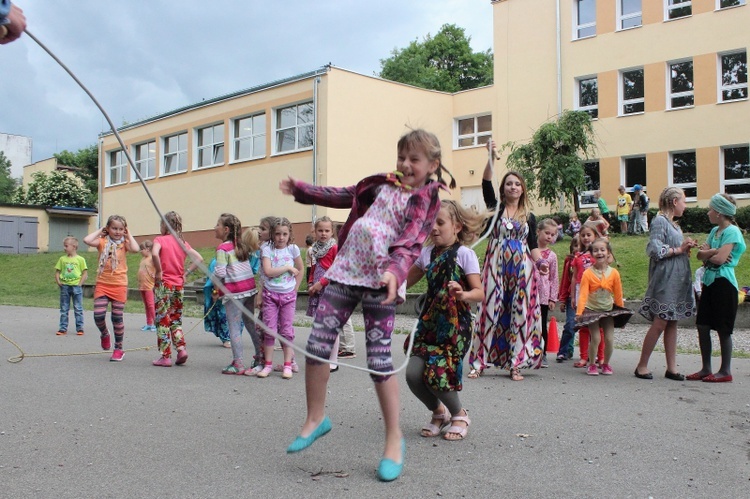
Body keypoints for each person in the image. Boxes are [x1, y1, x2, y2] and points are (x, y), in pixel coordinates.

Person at [281, 128, 452, 482]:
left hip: (381, 280)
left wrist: (395, 271)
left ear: (433, 164)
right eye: (401, 157)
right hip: (346, 271)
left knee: (378, 361)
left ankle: (393, 439)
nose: (405, 164)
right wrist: (303, 191)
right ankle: (316, 418)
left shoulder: (426, 197)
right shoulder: (383, 184)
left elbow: (411, 241)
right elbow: (346, 194)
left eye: (414, 159)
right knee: (316, 344)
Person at [405, 200, 484, 441]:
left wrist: (463, 294)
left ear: (457, 226)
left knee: (439, 375)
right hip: (428, 322)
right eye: (431, 223)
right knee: (413, 375)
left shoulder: (465, 254)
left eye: (441, 223)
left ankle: (459, 414)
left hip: (454, 325)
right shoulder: (426, 254)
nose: (434, 228)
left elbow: (479, 292)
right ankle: (438, 412)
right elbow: (403, 283)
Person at [468, 140, 545, 382]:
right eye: (509, 183)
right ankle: (479, 362)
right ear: (504, 189)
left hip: (522, 269)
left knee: (520, 313)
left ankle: (516, 363)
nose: (513, 187)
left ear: (523, 189)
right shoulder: (496, 209)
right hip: (495, 267)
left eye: (517, 184)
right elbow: (485, 183)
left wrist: (540, 262)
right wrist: (491, 158)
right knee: (489, 310)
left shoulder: (529, 216)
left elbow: (533, 244)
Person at [635, 187, 697, 380]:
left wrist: (684, 247)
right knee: (660, 322)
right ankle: (641, 365)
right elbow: (654, 249)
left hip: (677, 278)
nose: (686, 206)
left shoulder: (673, 224)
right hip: (665, 279)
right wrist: (679, 249)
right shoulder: (660, 221)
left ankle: (672, 367)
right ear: (675, 202)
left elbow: (673, 248)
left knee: (672, 322)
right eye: (684, 202)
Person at [687, 193, 746, 383]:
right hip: (710, 282)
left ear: (720, 213)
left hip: (724, 284)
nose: (708, 212)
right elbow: (700, 256)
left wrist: (708, 254)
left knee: (723, 328)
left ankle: (725, 370)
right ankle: (706, 368)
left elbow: (720, 260)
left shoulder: (732, 232)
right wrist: (711, 252)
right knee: (703, 325)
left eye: (711, 209)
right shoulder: (715, 232)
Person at [83, 215, 140, 361]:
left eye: (121, 229)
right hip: (103, 283)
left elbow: (135, 249)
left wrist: (129, 234)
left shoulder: (124, 244)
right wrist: (101, 230)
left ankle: (119, 348)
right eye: (114, 228)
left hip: (119, 284)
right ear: (108, 229)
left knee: (117, 318)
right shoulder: (102, 241)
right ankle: (104, 333)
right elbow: (87, 240)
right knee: (98, 315)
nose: (117, 231)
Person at [151, 211, 204, 367]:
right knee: (175, 319)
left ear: (163, 225)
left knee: (163, 320)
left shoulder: (159, 240)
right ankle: (181, 349)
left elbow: (154, 253)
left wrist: (159, 271)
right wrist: (186, 273)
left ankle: (165, 356)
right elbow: (199, 258)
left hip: (163, 285)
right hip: (178, 285)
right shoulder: (182, 243)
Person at [576, 237, 632, 376]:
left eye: (602, 250)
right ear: (591, 254)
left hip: (608, 310)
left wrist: (621, 313)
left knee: (609, 339)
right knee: (595, 338)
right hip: (592, 310)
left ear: (608, 253)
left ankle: (605, 363)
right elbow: (583, 294)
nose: (599, 253)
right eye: (595, 250)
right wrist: (579, 312)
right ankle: (592, 365)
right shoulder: (587, 273)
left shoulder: (614, 273)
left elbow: (618, 294)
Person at [256, 217, 304, 379]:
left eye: (284, 234)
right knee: (269, 330)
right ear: (272, 234)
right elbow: (268, 272)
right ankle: (268, 365)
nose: (281, 238)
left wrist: (295, 289)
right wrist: (287, 267)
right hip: (270, 295)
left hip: (288, 295)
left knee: (286, 331)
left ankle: (288, 365)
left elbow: (301, 269)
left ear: (289, 234)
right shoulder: (267, 249)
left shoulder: (293, 249)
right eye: (277, 234)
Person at [305, 216, 354, 371]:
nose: (323, 233)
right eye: (320, 230)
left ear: (332, 232)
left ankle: (333, 360)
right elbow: (313, 268)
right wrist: (311, 283)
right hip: (318, 288)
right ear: (315, 232)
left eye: (327, 230)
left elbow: (336, 269)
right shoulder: (314, 249)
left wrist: (321, 283)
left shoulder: (334, 248)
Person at [214, 214, 261, 375]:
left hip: (234, 293)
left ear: (226, 229)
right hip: (249, 289)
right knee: (249, 323)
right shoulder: (241, 246)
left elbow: (220, 272)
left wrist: (214, 286)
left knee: (234, 327)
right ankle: (260, 357)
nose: (215, 227)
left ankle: (238, 363)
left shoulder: (222, 249)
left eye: (217, 224)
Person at [571, 222, 605, 369]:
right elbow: (574, 277)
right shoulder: (578, 256)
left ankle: (600, 356)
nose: (585, 238)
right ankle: (584, 357)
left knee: (600, 327)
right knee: (584, 326)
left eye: (589, 235)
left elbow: (608, 264)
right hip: (581, 291)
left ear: (595, 236)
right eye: (583, 235)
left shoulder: (599, 254)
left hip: (597, 291)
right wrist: (573, 297)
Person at [536, 218, 559, 368]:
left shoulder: (551, 256)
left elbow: (554, 277)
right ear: (538, 232)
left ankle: (542, 353)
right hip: (527, 294)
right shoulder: (529, 251)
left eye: (552, 234)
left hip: (543, 295)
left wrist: (552, 298)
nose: (549, 236)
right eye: (546, 233)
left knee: (541, 324)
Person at [54, 236, 88, 336]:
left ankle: (80, 328)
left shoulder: (80, 259)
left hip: (76, 286)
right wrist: (58, 281)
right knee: (64, 308)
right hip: (65, 286)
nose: (64, 248)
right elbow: (57, 271)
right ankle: (63, 328)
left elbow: (85, 273)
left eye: (66, 246)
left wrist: (79, 284)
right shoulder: (62, 259)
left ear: (74, 246)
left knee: (78, 308)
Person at [556, 235, 579, 362]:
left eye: (580, 246)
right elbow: (565, 280)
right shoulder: (569, 261)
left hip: (588, 299)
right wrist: (563, 299)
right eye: (575, 245)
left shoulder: (591, 260)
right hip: (572, 297)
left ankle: (589, 355)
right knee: (570, 325)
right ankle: (564, 351)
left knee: (589, 328)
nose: (578, 248)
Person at [203, 258, 232, 348]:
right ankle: (226, 338)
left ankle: (230, 337)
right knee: (222, 314)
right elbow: (215, 277)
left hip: (233, 290)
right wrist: (216, 291)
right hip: (220, 290)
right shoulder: (217, 261)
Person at [137, 240, 156, 332]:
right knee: (146, 306)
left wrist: (155, 274)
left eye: (142, 249)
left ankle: (156, 324)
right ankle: (149, 323)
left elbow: (159, 268)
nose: (140, 251)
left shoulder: (152, 259)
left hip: (149, 286)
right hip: (142, 286)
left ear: (148, 249)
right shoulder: (143, 259)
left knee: (151, 305)